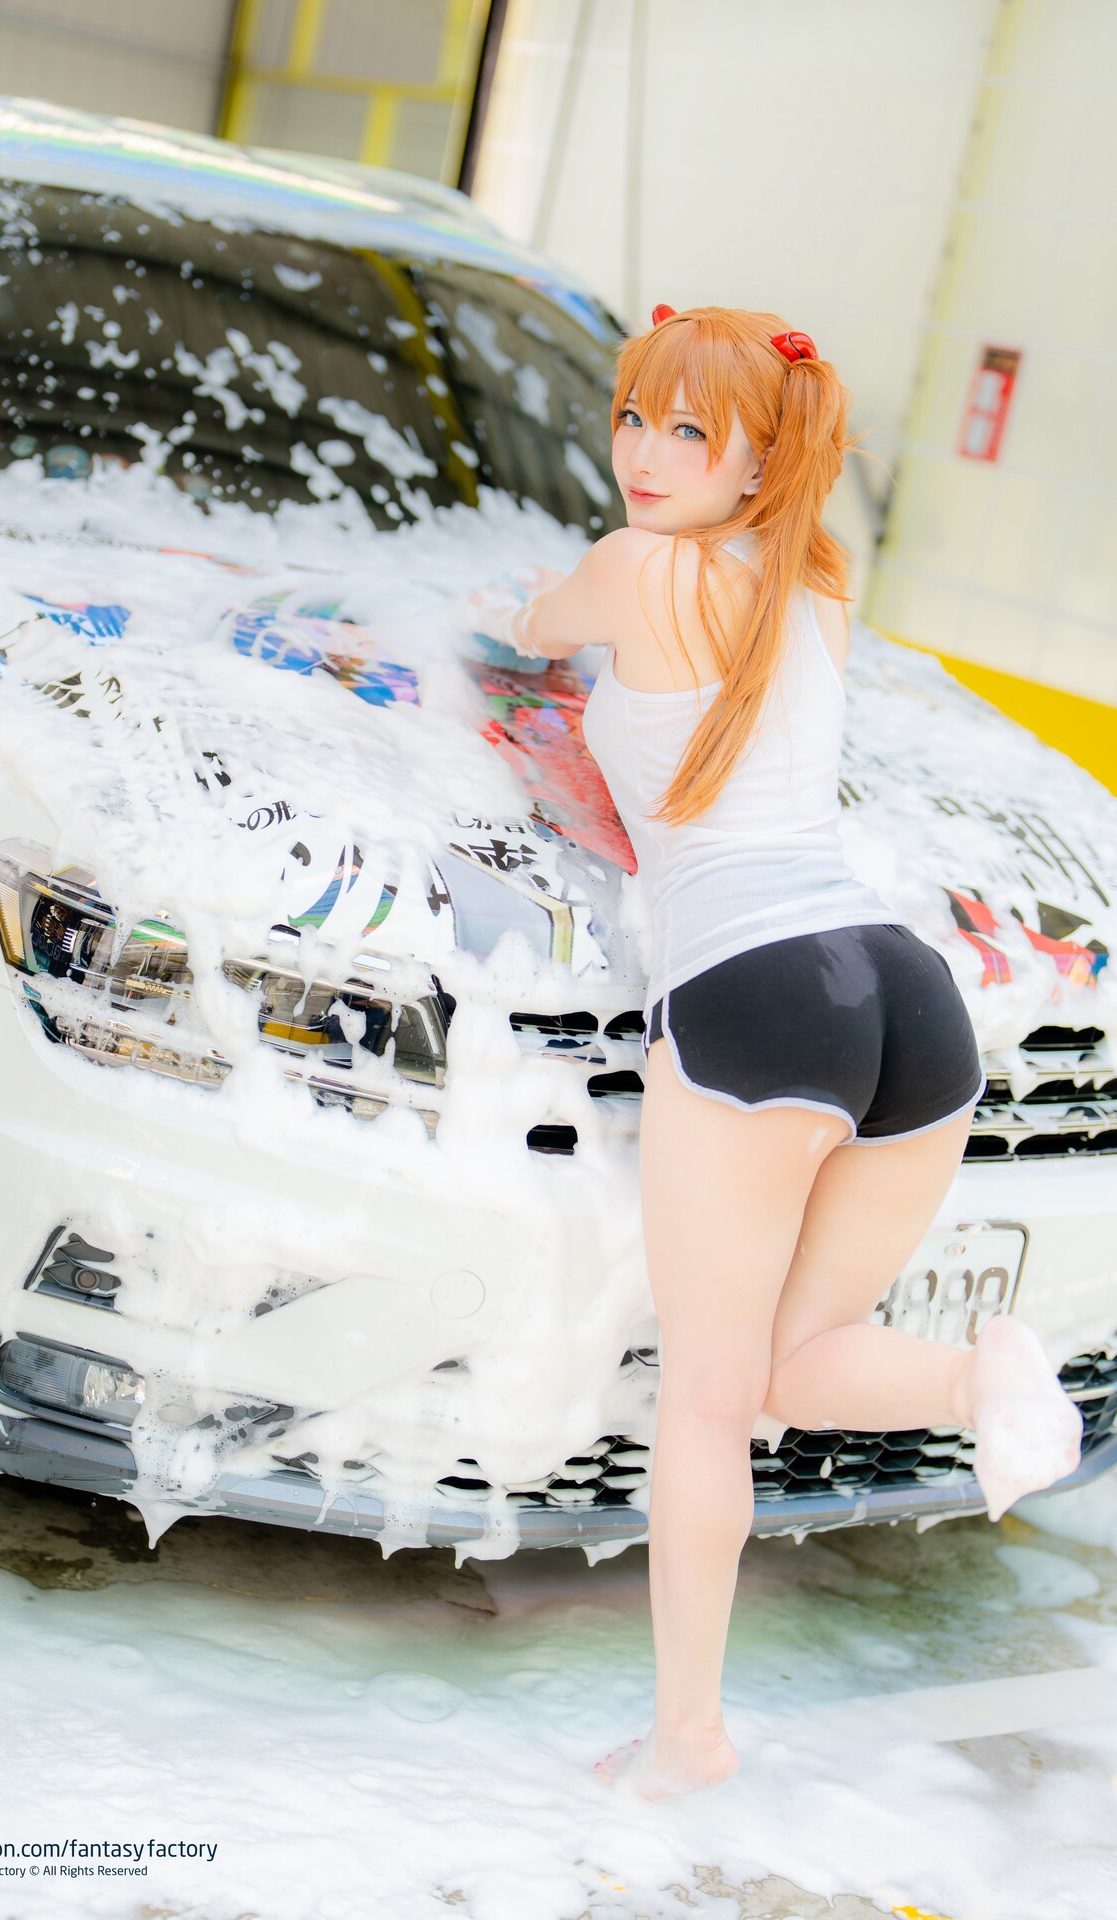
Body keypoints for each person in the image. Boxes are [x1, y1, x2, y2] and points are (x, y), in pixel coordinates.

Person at [461, 306, 1084, 1800]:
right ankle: (984, 1378)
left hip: (756, 992)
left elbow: (521, 631)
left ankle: (689, 1739)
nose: (643, 450)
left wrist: (517, 619)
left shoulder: (635, 568)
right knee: (791, 1372)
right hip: (902, 994)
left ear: (761, 459)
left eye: (691, 429)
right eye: (634, 413)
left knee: (706, 1400)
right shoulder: (816, 589)